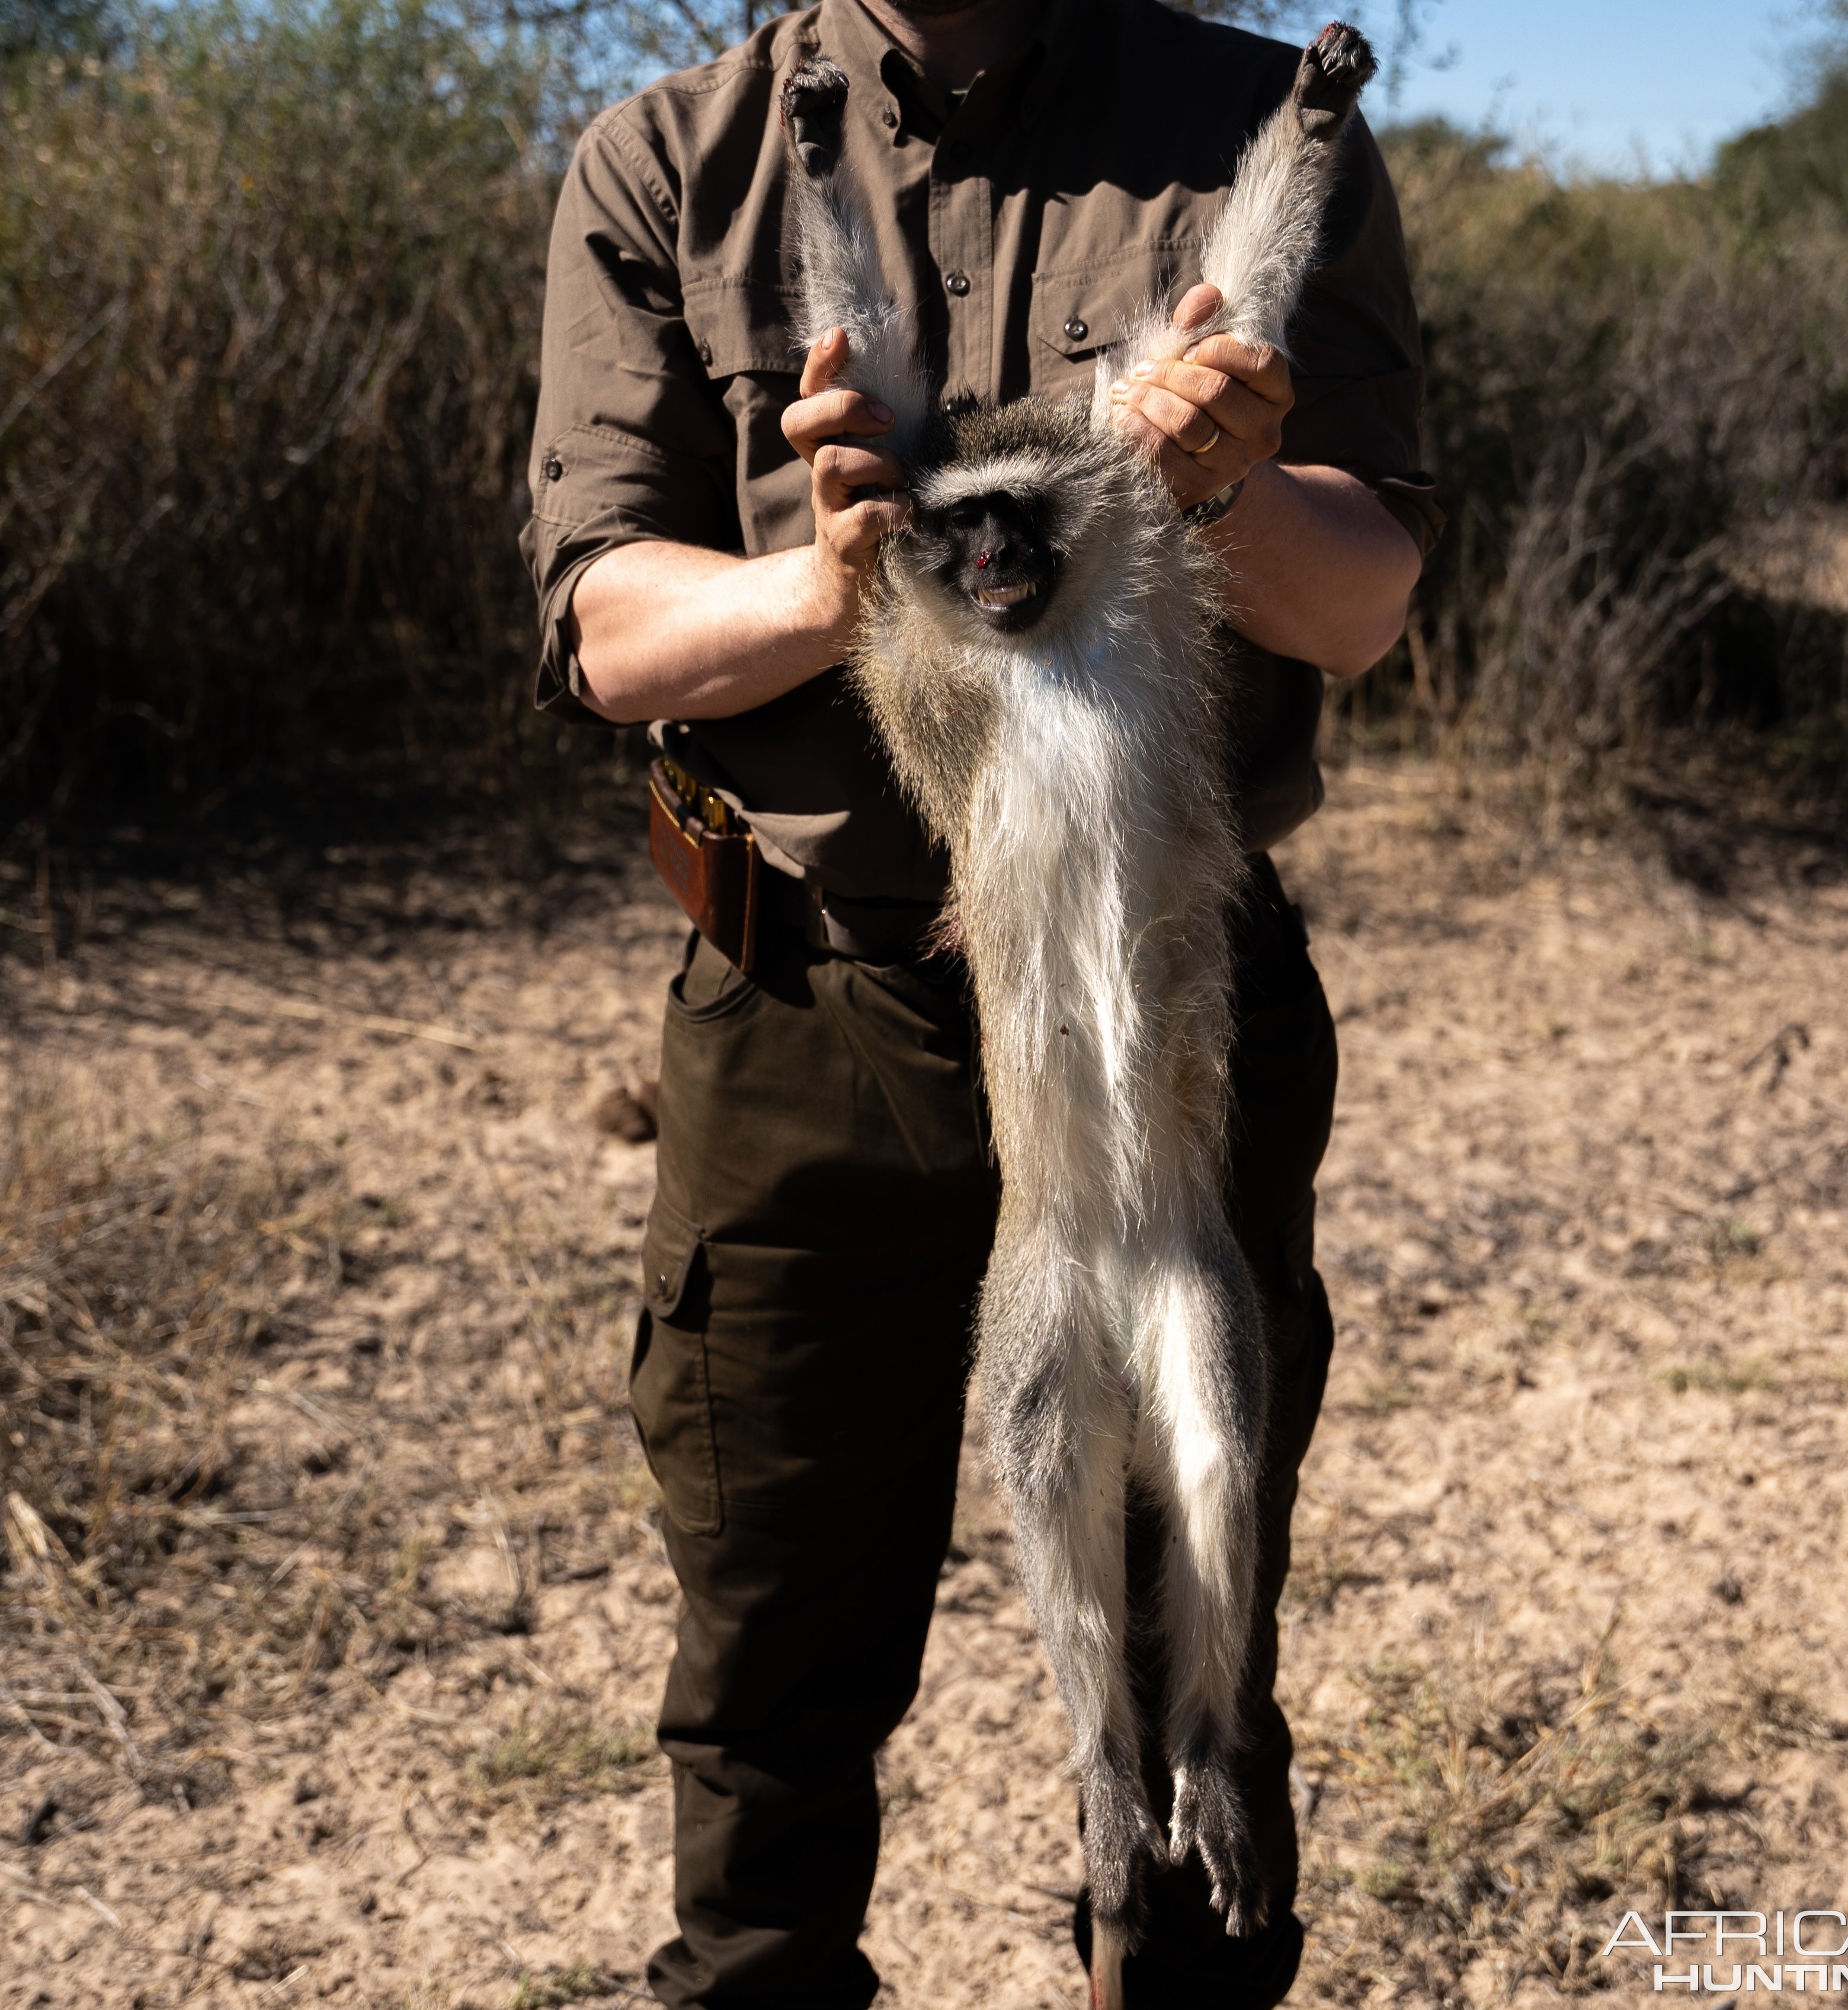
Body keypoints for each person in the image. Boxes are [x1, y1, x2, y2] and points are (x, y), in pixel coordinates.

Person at [518, 0, 1438, 2003]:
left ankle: (1166, 1830)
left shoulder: (1238, 127)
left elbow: (1356, 579)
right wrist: (843, 571)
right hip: (804, 1015)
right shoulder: (679, 155)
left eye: (1032, 534)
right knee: (775, 1656)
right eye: (979, 544)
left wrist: (1217, 469)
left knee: (1201, 1532)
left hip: (1175, 1037)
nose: (1007, 563)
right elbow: (605, 623)